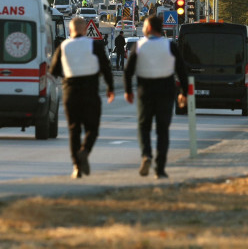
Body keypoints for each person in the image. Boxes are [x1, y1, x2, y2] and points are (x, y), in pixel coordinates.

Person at [49, 17, 115, 179]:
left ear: (70, 31)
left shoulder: (64, 46)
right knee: (92, 128)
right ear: (85, 30)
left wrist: (65, 75)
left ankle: (77, 167)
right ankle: (85, 151)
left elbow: (54, 71)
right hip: (90, 91)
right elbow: (106, 67)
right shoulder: (95, 45)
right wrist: (110, 88)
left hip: (70, 91)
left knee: (74, 129)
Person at [124, 15, 188, 179]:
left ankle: (146, 155)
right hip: (166, 90)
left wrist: (128, 91)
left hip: (145, 90)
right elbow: (181, 70)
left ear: (150, 28)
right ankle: (160, 169)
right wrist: (184, 93)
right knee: (163, 130)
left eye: (144, 26)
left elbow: (129, 70)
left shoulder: (139, 46)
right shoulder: (170, 46)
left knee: (143, 127)